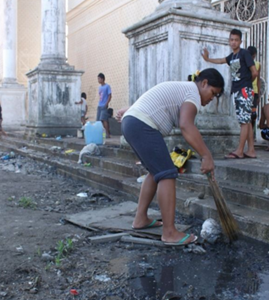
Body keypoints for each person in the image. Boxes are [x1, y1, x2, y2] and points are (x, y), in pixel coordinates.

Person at [115, 68, 224, 246]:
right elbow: (186, 126)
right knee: (167, 173)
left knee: (155, 172)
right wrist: (206, 155)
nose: (211, 99)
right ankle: (170, 232)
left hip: (133, 123)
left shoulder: (184, 89)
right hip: (142, 124)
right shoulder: (193, 93)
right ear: (203, 83)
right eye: (213, 93)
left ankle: (140, 219)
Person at [202, 28, 258, 159]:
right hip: (238, 90)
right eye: (231, 40)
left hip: (244, 90)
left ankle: (239, 150)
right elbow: (222, 60)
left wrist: (246, 84)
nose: (233, 42)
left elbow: (254, 72)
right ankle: (251, 150)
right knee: (246, 120)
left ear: (240, 41)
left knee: (243, 121)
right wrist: (208, 59)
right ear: (229, 41)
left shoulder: (244, 54)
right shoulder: (232, 56)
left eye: (236, 40)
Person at [247, 46, 261, 139]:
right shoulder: (245, 63)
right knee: (246, 114)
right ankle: (247, 133)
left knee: (253, 114)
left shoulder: (257, 64)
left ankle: (251, 133)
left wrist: (259, 93)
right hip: (246, 91)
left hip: (254, 92)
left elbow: (258, 79)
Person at [97, 73, 112, 138]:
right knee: (99, 120)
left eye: (99, 78)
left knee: (104, 119)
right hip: (99, 105)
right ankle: (102, 134)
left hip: (104, 105)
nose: (98, 80)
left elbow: (110, 96)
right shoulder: (99, 87)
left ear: (102, 79)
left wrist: (106, 103)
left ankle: (108, 134)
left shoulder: (107, 86)